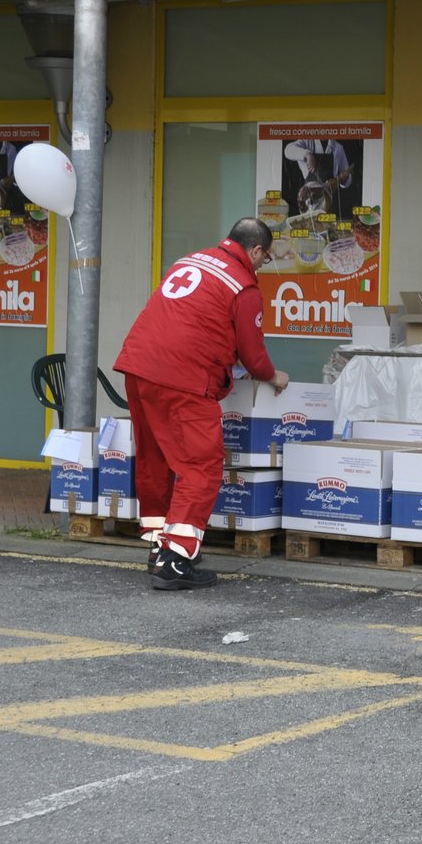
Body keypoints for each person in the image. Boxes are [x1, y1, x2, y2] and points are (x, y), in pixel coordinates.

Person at [114, 218, 291, 591]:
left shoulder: (190, 260)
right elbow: (254, 355)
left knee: (157, 457)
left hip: (138, 366)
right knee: (201, 464)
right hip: (182, 379)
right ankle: (175, 561)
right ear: (256, 250)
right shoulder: (244, 286)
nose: (262, 265)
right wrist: (274, 376)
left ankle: (159, 545)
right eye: (265, 258)